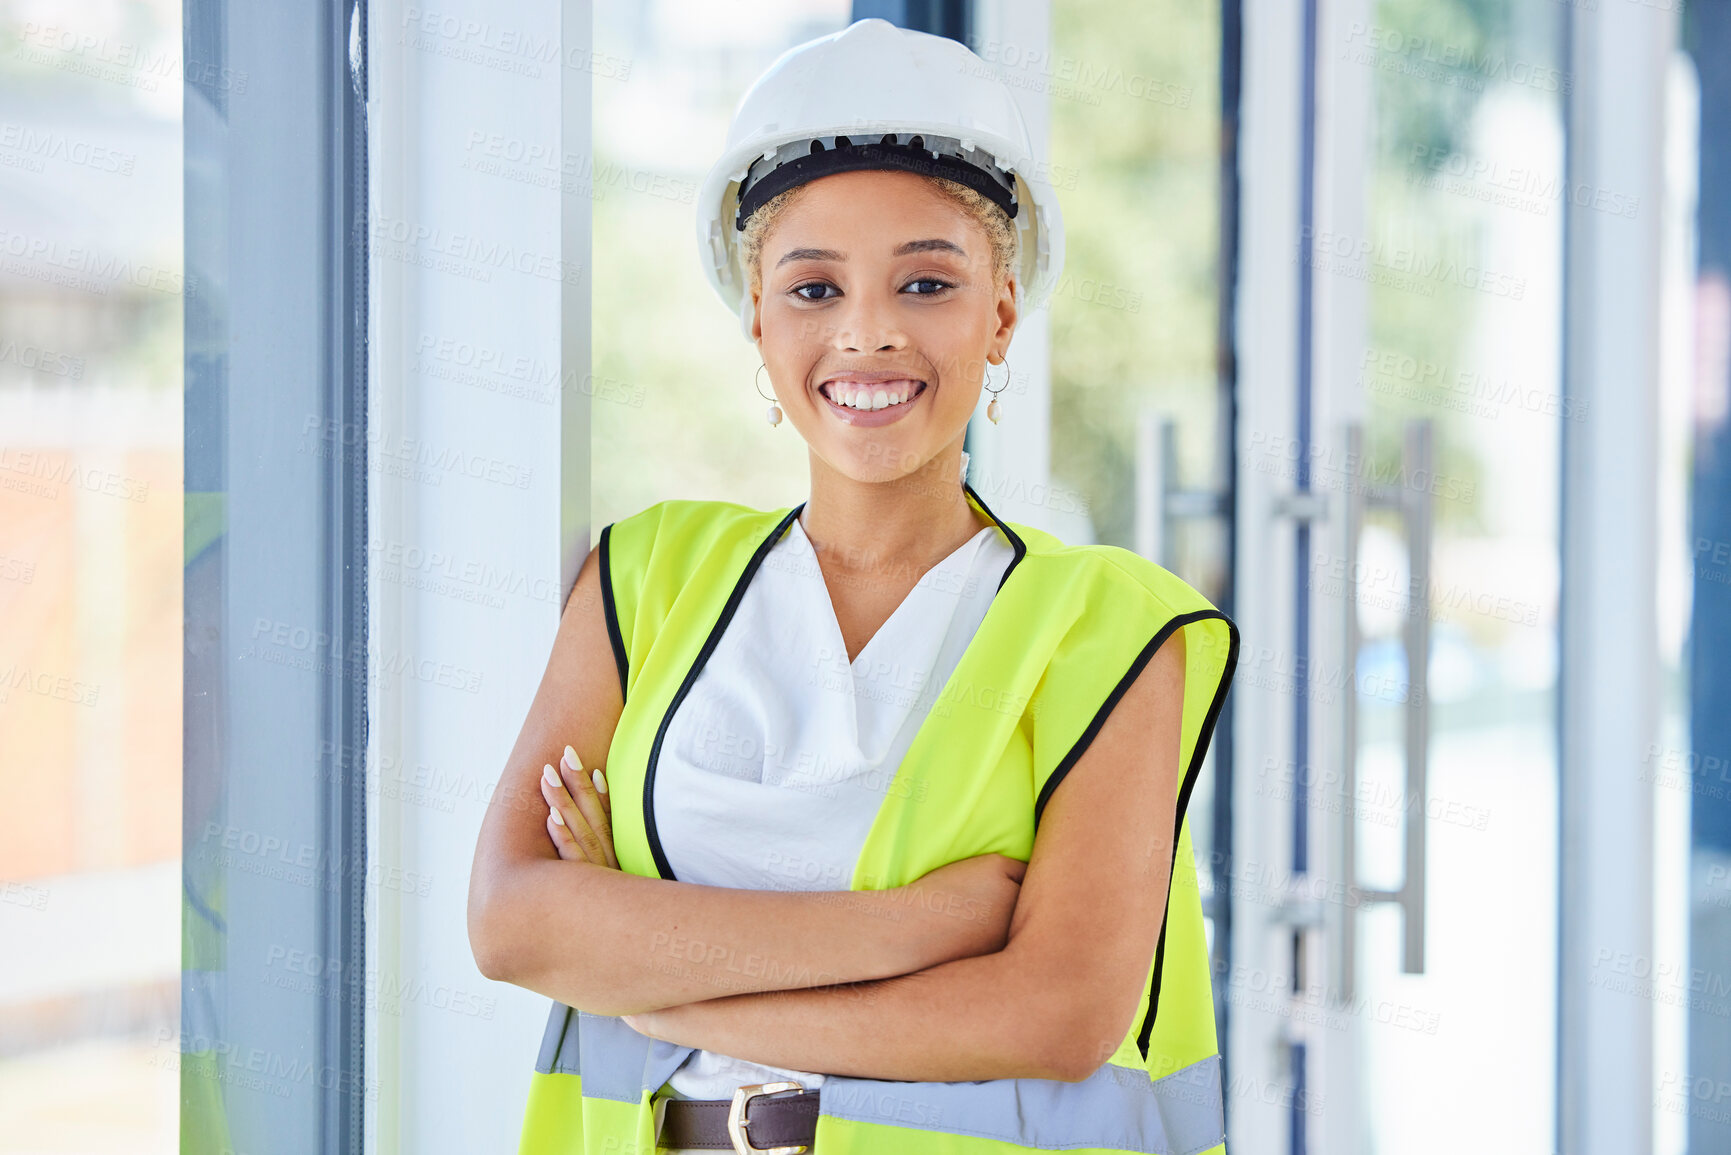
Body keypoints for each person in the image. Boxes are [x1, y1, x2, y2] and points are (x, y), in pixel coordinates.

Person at [467, 18, 1239, 1154]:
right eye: (815, 288)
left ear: (1002, 314)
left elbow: (1063, 1012)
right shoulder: (644, 580)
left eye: (926, 282)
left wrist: (656, 980)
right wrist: (927, 927)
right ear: (758, 320)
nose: (869, 332)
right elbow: (512, 921)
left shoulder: (1112, 629)